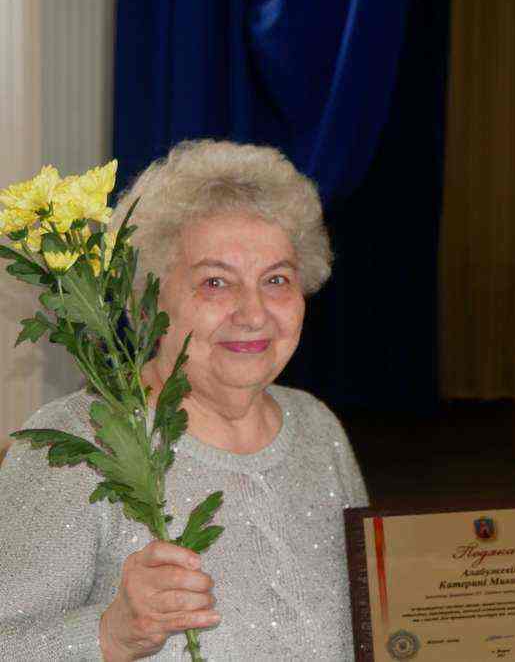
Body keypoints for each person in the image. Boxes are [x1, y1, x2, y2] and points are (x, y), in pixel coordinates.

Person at [0, 140, 368, 660]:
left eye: (276, 280)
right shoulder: (77, 445)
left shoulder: (317, 427)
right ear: (149, 298)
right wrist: (109, 635)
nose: (253, 313)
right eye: (215, 282)